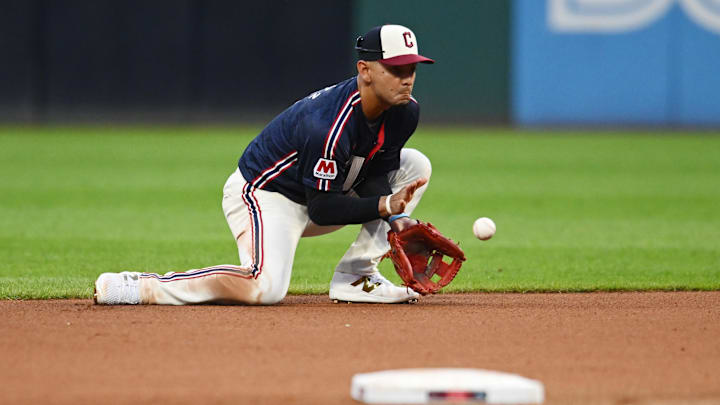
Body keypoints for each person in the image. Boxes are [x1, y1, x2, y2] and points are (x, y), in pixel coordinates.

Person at [94, 24, 435, 305]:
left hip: (325, 190)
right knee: (266, 288)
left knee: (415, 165)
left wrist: (398, 218)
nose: (406, 78)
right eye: (395, 69)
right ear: (365, 71)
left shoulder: (405, 112)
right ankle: (143, 286)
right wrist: (384, 206)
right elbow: (323, 209)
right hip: (267, 196)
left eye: (412, 69)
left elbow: (375, 171)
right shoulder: (327, 125)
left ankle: (357, 276)